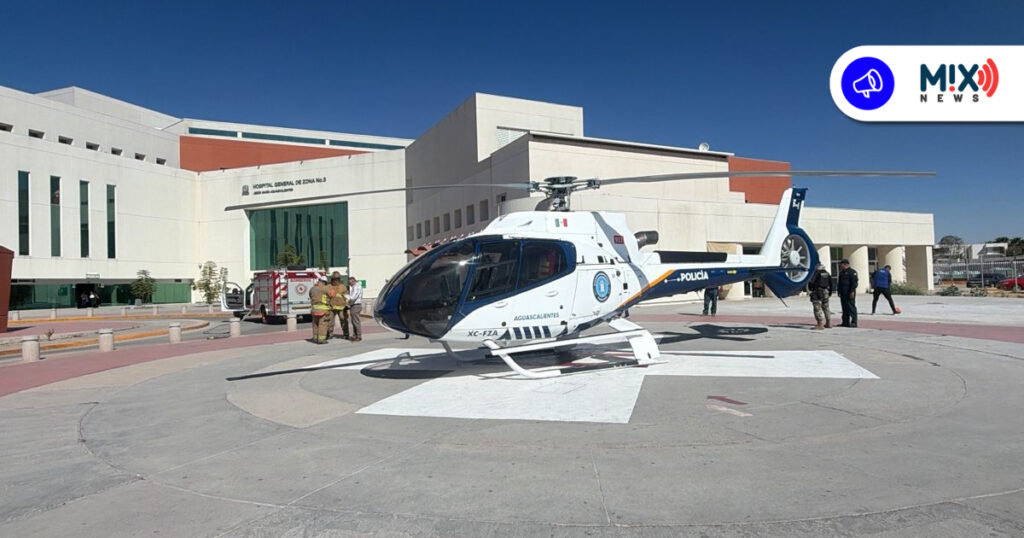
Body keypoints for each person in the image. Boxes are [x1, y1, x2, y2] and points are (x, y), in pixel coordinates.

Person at [807, 263, 834, 330]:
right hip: (826, 292)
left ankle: (820, 324)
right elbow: (831, 283)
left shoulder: (816, 273)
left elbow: (811, 282)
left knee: (817, 308)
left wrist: (811, 290)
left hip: (817, 293)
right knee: (826, 307)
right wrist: (830, 292)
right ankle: (829, 323)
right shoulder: (827, 273)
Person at [326, 271, 349, 340]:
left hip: (341, 307)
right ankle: (329, 333)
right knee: (330, 321)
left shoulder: (342, 287)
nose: (336, 281)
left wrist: (347, 305)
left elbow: (346, 296)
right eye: (334, 279)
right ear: (332, 279)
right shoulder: (328, 287)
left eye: (337, 279)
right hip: (331, 307)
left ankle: (346, 333)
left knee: (343, 320)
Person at [837, 258, 859, 327]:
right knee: (844, 307)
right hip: (843, 293)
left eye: (841, 265)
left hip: (849, 292)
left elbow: (854, 283)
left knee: (851, 307)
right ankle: (845, 322)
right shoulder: (842, 273)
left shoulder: (852, 272)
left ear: (846, 264)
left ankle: (854, 322)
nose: (841, 266)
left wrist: (852, 291)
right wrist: (839, 291)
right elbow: (839, 283)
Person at [309, 276, 330, 344]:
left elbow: (310, 296)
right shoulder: (325, 288)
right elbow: (331, 295)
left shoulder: (312, 289)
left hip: (314, 309)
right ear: (324, 282)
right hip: (323, 310)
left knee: (315, 324)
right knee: (322, 325)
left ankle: (315, 338)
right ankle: (321, 339)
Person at [347, 276, 363, 342]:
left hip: (356, 305)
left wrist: (346, 296)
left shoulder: (356, 287)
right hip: (354, 305)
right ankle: (355, 335)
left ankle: (358, 336)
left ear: (353, 281)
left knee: (356, 321)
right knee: (354, 321)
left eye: (350, 283)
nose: (349, 285)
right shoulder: (356, 286)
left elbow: (353, 297)